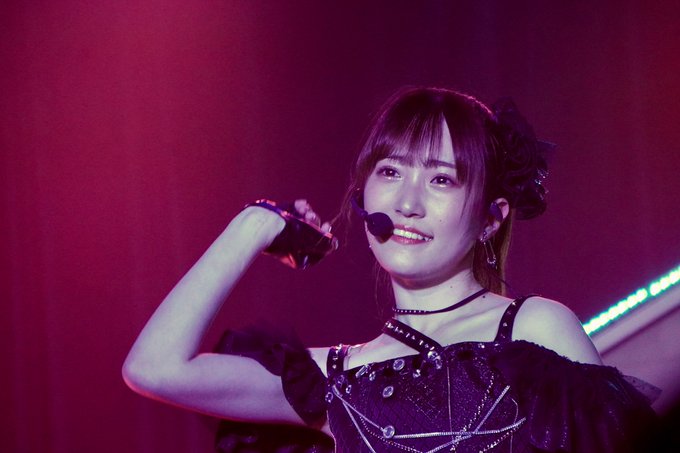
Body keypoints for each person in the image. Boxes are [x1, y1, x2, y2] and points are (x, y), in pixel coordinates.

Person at [123, 87, 657, 452]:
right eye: (390, 171)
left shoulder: (532, 328)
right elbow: (154, 368)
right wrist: (255, 224)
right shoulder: (332, 380)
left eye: (441, 179)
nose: (407, 203)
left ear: (491, 218)